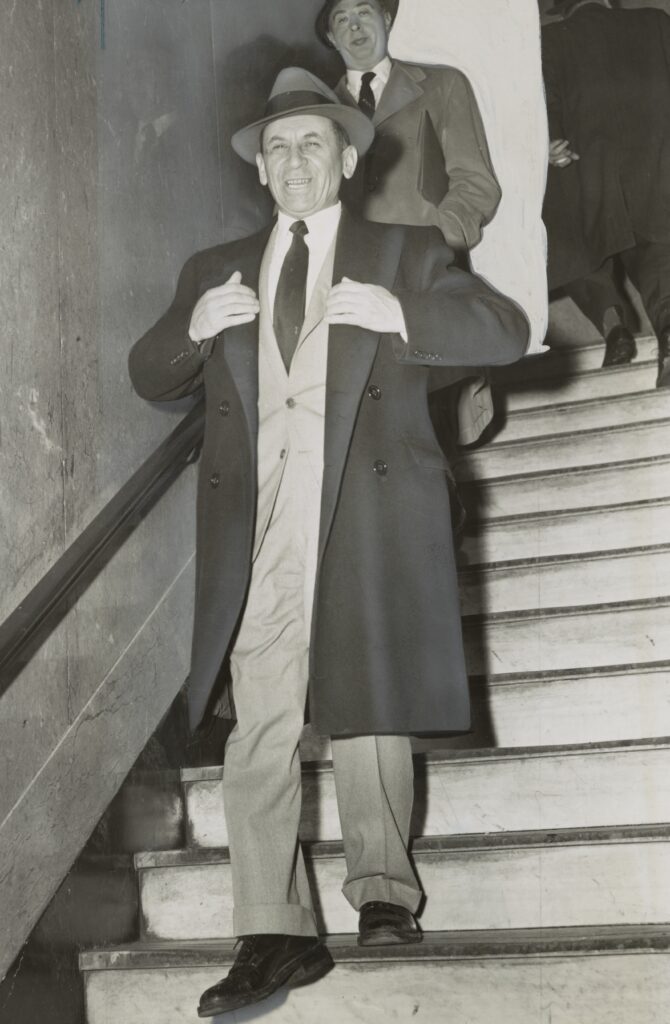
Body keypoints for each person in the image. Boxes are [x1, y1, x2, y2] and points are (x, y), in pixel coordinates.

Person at [128, 67, 528, 1018]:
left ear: (349, 160)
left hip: (367, 505)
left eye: (313, 143)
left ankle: (383, 889)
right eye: (278, 148)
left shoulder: (404, 251)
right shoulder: (216, 268)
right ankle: (274, 928)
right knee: (260, 714)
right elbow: (149, 371)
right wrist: (192, 330)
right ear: (260, 170)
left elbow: (506, 329)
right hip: (260, 519)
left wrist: (404, 314)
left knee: (370, 702)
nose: (295, 160)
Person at [316, 0, 503, 453]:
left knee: (436, 431)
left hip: (424, 283)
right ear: (331, 38)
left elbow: (476, 184)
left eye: (364, 12)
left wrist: (439, 242)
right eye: (341, 19)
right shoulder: (319, 111)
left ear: (387, 19)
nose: (355, 26)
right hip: (350, 290)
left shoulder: (443, 85)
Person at [542, 0, 670, 384]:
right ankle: (668, 330)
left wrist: (550, 144)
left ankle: (613, 327)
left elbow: (542, 104)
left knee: (571, 245)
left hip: (586, 172)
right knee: (660, 256)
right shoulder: (655, 23)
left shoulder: (549, 40)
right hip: (657, 167)